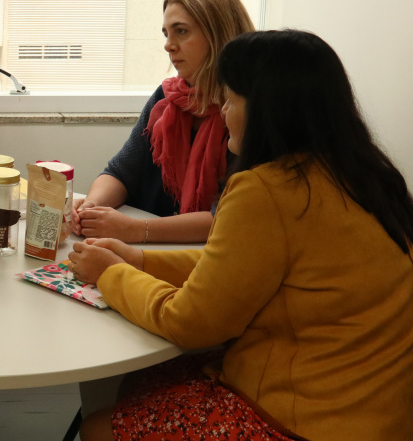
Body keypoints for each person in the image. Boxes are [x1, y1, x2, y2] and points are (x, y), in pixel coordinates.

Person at [68, 29, 413, 441]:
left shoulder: (266, 189)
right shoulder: (367, 175)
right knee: (148, 378)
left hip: (303, 419)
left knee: (97, 427)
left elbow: (190, 323)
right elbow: (238, 265)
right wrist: (139, 260)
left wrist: (110, 273)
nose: (224, 111)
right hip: (381, 410)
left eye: (231, 100)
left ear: (268, 110)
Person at [67, 0, 255, 243]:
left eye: (181, 31)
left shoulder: (249, 109)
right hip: (146, 246)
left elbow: (227, 216)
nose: (168, 45)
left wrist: (136, 229)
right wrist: (92, 206)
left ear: (218, 35)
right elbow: (121, 172)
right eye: (166, 34)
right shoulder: (167, 98)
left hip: (200, 252)